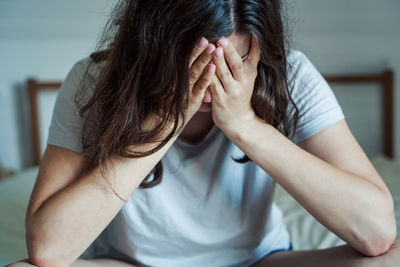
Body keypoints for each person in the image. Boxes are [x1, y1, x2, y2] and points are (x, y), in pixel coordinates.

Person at [7, 0, 399, 266]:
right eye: (195, 65)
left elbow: (378, 232)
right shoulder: (94, 80)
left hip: (257, 261)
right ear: (153, 50)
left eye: (235, 61)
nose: (214, 82)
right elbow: (48, 248)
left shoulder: (288, 74)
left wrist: (245, 125)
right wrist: (166, 122)